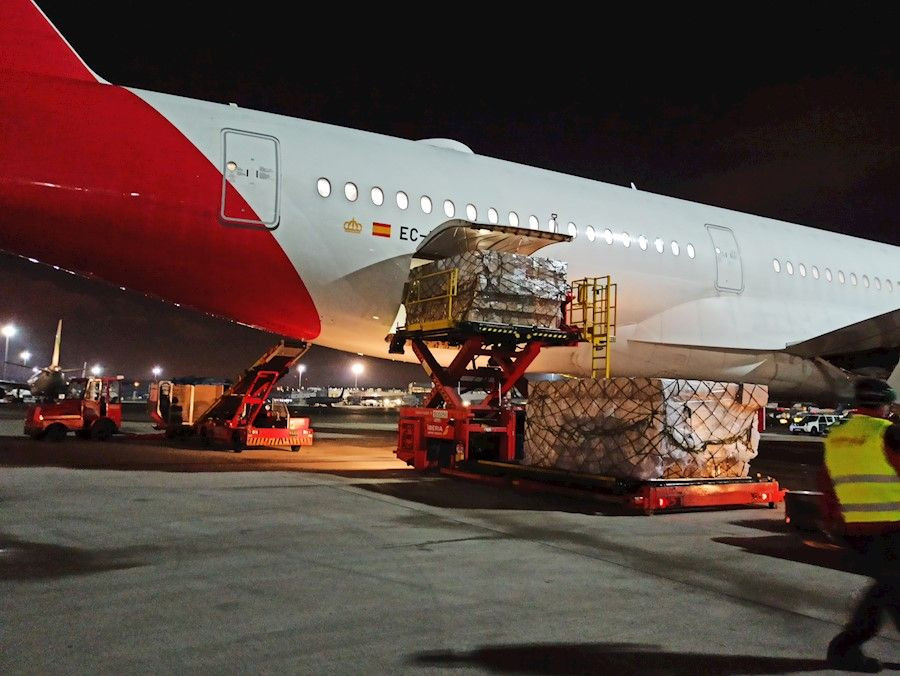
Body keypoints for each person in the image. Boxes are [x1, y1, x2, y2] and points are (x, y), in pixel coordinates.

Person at [821, 377, 900, 672]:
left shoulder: (837, 435)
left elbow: (827, 482)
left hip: (854, 529)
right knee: (889, 589)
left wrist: (831, 521)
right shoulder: (888, 434)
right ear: (886, 405)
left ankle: (844, 649)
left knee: (889, 588)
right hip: (891, 527)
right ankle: (843, 649)